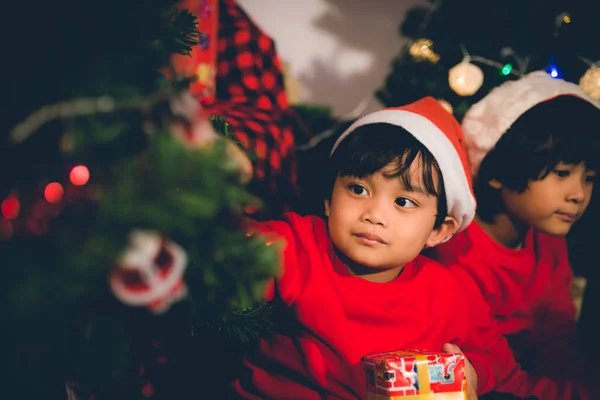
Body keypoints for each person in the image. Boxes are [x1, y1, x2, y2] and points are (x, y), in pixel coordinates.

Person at [231, 97, 500, 399]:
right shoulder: (300, 246)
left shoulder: (445, 291)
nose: (374, 214)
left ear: (439, 230)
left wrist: (471, 373)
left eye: (404, 202)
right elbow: (234, 250)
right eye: (358, 190)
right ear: (329, 200)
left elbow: (483, 355)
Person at [433, 71, 600, 399]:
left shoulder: (548, 238)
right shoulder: (457, 255)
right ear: (498, 172)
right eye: (562, 173)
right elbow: (498, 380)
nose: (579, 194)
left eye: (590, 178)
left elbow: (559, 343)